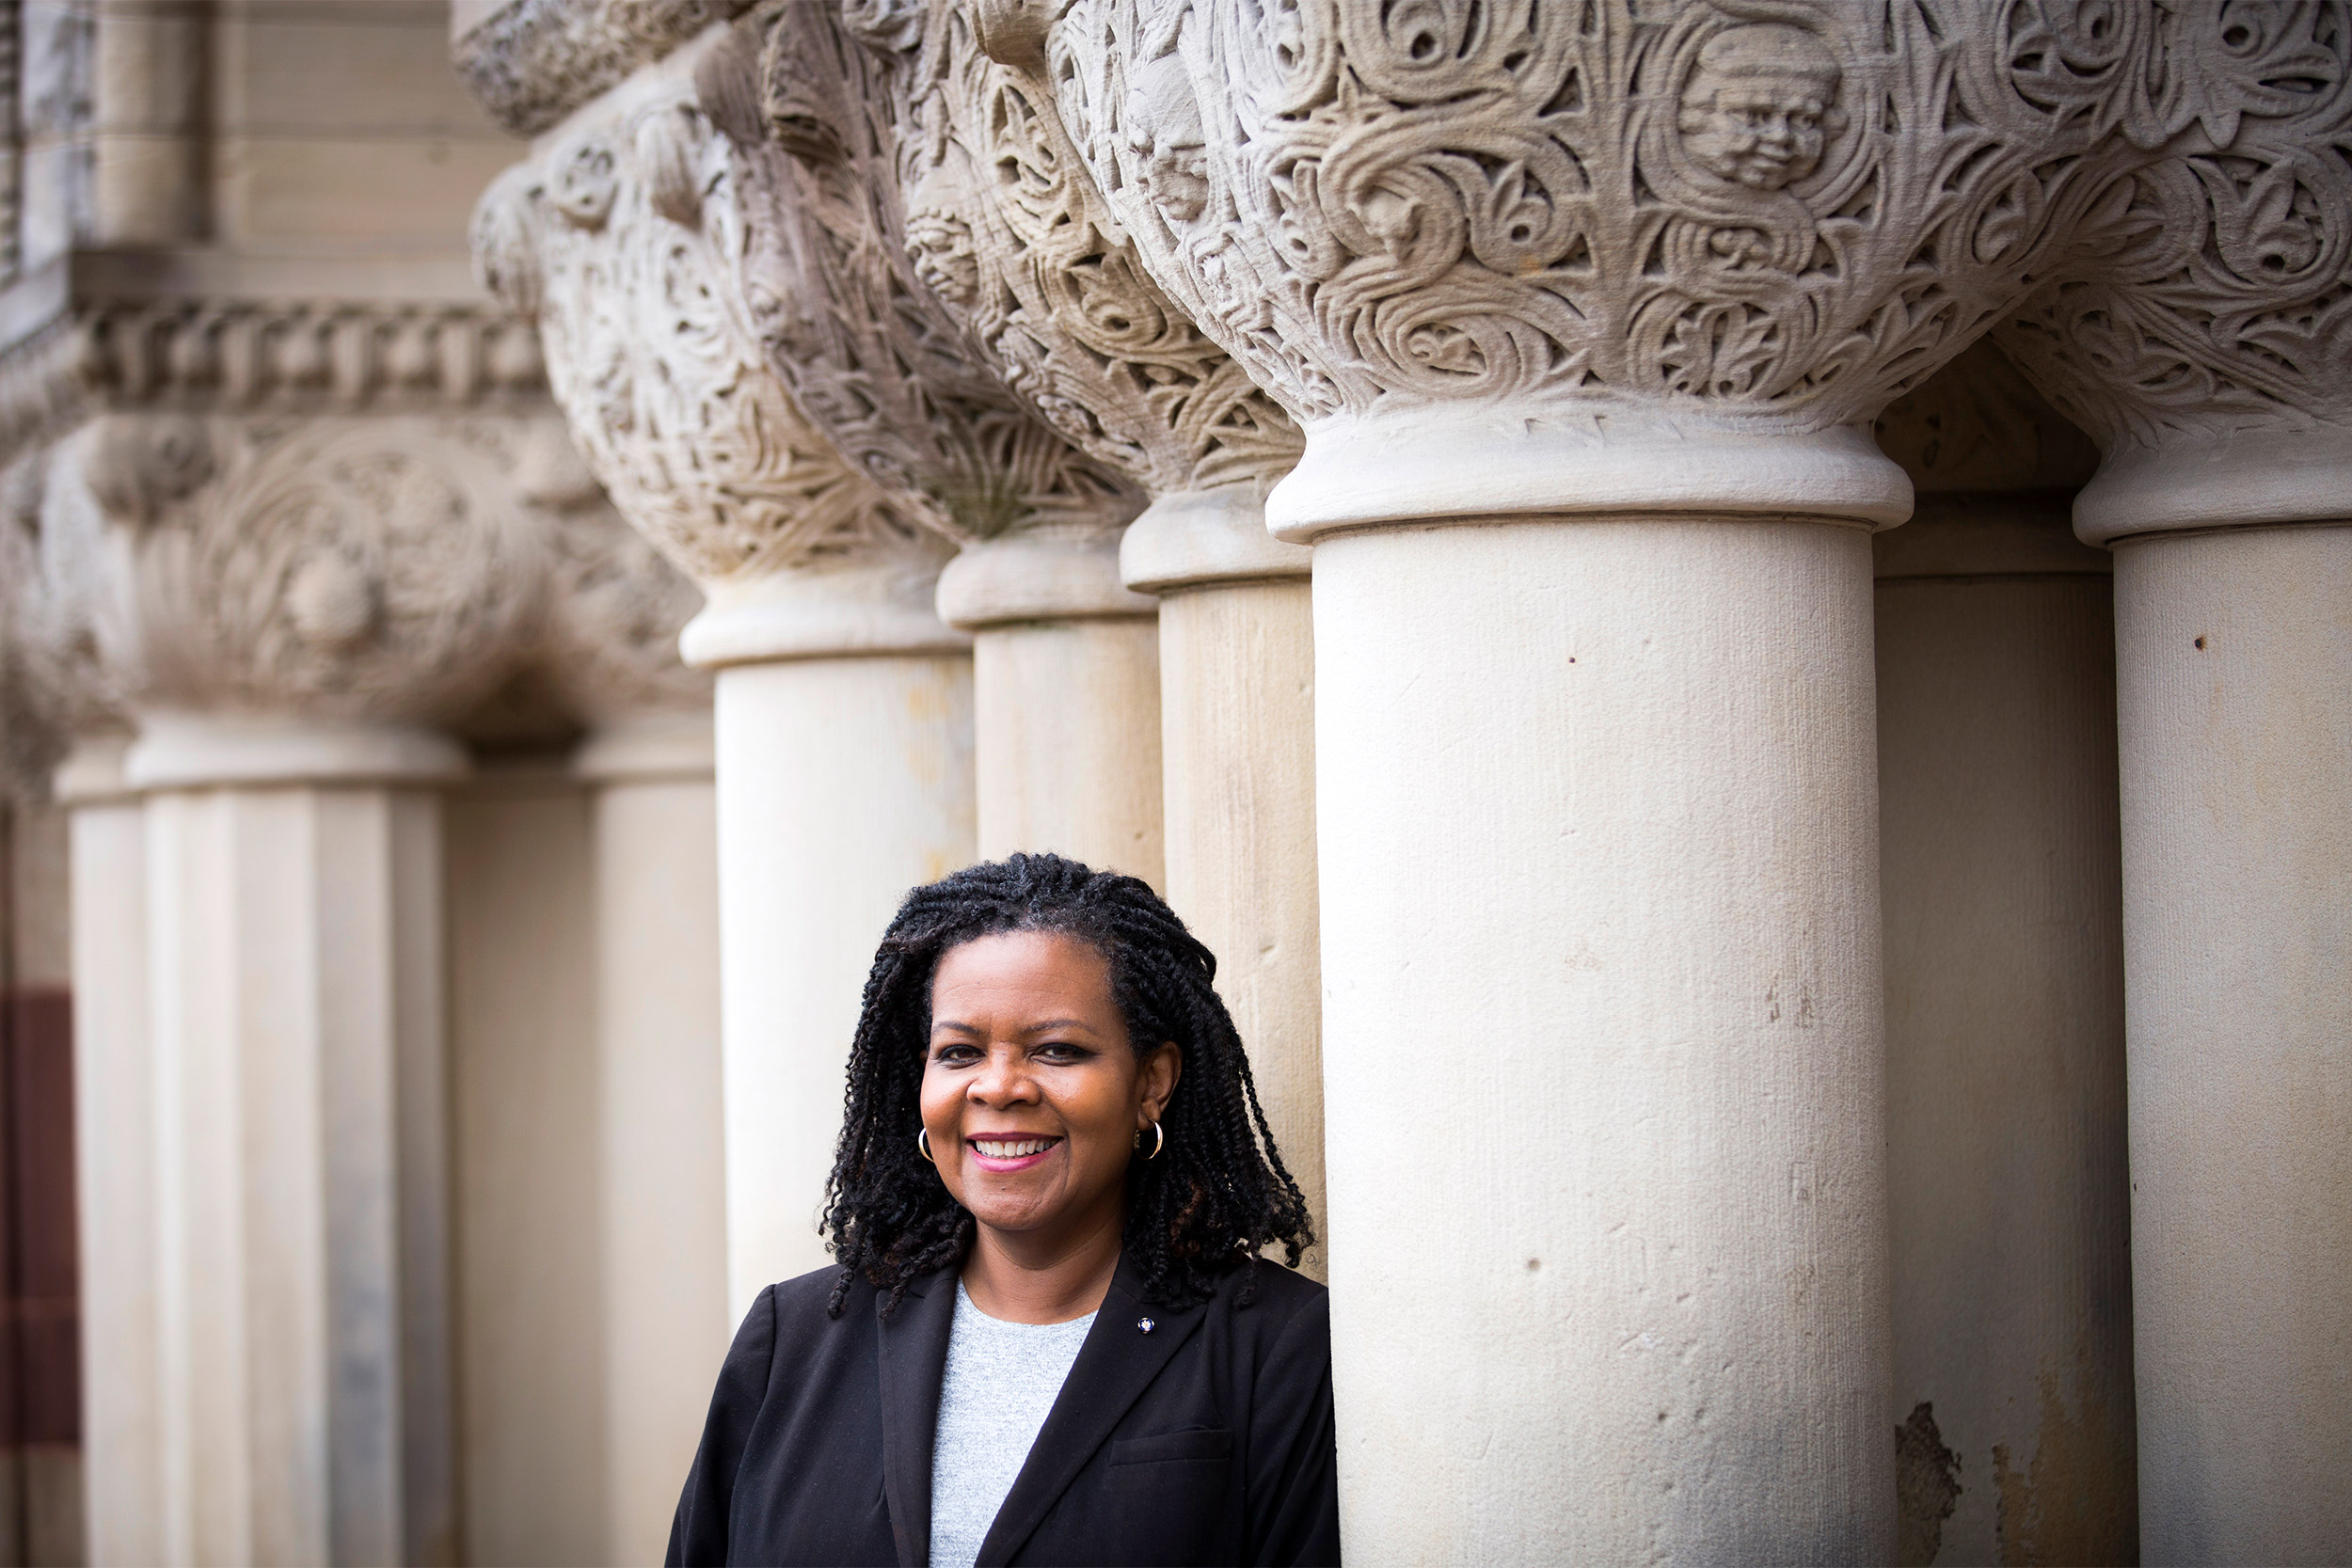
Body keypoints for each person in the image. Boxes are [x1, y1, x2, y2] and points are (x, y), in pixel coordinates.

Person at [668, 853, 1339, 1566]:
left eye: (1056, 1049)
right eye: (959, 1051)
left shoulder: (1276, 1348)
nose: (999, 1086)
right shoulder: (793, 1341)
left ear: (1151, 1083)